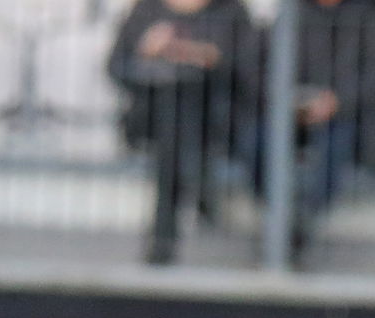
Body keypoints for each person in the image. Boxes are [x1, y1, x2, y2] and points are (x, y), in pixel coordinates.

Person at [106, 0, 260, 264]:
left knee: (178, 120)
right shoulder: (147, 8)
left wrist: (211, 58)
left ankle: (163, 237)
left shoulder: (230, 10)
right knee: (173, 109)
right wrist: (145, 50)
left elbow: (249, 72)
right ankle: (198, 186)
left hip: (212, 120)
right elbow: (116, 67)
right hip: (151, 117)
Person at [285, 0, 375, 257]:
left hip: (352, 118)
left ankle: (300, 222)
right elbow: (273, 66)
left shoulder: (374, 13)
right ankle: (284, 216)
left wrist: (336, 103)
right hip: (297, 114)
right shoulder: (297, 11)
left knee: (334, 144)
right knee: (258, 138)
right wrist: (297, 101)